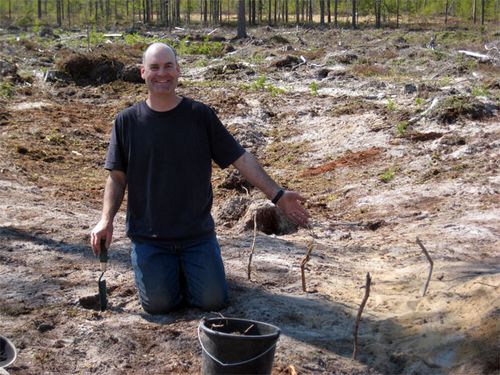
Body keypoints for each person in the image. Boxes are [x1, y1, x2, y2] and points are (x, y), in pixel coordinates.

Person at [90, 42, 309, 314]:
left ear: (178, 70)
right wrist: (105, 220)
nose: (162, 74)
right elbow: (117, 177)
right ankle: (167, 272)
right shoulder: (127, 122)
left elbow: (240, 158)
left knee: (212, 301)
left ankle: (191, 271)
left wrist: (278, 195)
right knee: (159, 306)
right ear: (143, 72)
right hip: (149, 237)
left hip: (197, 236)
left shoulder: (199, 116)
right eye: (155, 67)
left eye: (168, 66)